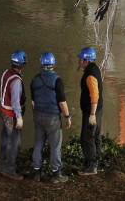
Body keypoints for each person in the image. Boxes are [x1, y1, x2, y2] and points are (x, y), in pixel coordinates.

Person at [30, 52, 71, 183]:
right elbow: (62, 102)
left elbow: (33, 102)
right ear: (53, 64)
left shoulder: (35, 79)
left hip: (38, 115)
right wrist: (67, 116)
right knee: (54, 146)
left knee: (38, 144)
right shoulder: (57, 80)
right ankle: (56, 174)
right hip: (53, 117)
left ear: (41, 64)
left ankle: (36, 173)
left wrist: (35, 115)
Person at [0, 50, 27, 180]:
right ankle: (10, 169)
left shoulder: (6, 73)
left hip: (4, 112)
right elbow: (16, 101)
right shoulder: (16, 81)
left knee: (5, 140)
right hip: (11, 115)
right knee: (14, 142)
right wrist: (19, 117)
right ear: (22, 65)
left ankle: (3, 164)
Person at [77, 46, 102, 176]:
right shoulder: (95, 69)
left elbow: (94, 95)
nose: (79, 62)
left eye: (81, 59)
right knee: (96, 135)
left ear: (86, 60)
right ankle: (96, 160)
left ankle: (91, 165)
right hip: (97, 109)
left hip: (92, 110)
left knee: (87, 137)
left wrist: (92, 114)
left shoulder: (90, 75)